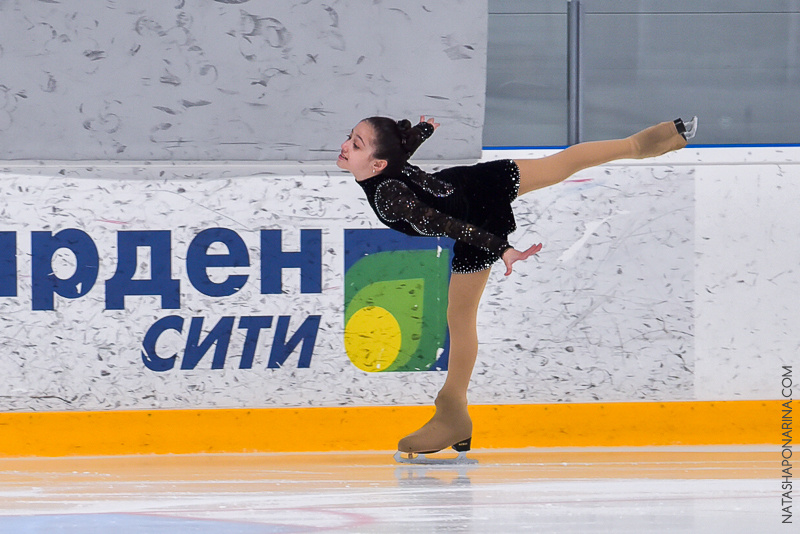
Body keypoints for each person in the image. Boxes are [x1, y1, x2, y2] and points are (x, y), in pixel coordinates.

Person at [337, 114, 697, 457]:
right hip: (473, 183)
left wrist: (501, 247)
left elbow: (445, 224)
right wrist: (421, 132)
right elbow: (401, 153)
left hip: (475, 220)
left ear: (377, 165)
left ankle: (453, 414)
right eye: (351, 140)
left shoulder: (389, 196)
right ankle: (656, 137)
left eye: (355, 143)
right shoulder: (386, 169)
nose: (345, 146)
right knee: (562, 163)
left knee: (460, 317)